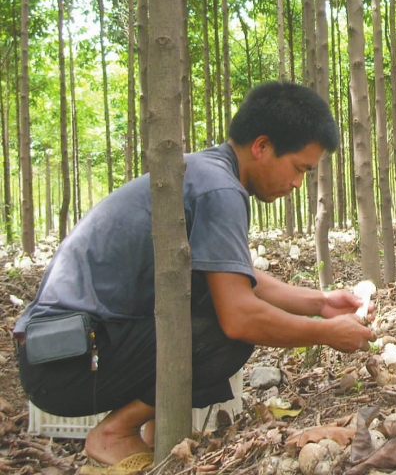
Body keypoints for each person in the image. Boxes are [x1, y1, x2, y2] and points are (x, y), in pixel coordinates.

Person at [14, 80, 375, 470]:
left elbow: (234, 275)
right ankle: (115, 433)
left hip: (63, 351)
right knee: (227, 335)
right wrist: (327, 333)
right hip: (68, 361)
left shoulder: (204, 171)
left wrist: (321, 303)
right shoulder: (220, 189)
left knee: (213, 299)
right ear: (262, 146)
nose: (297, 183)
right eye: (298, 168)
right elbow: (240, 317)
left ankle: (154, 433)